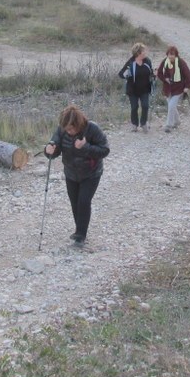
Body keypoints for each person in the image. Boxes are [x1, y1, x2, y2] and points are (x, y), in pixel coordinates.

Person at [44, 104, 110, 246]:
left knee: (84, 201)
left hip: (91, 173)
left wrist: (85, 147)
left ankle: (81, 235)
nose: (68, 131)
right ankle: (78, 229)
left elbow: (105, 150)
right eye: (66, 129)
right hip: (71, 173)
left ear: (78, 124)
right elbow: (54, 148)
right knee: (75, 202)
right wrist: (49, 149)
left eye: (70, 128)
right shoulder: (62, 130)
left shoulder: (92, 129)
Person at [156, 45, 190, 133]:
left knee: (171, 105)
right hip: (168, 88)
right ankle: (177, 121)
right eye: (169, 54)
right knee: (171, 105)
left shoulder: (181, 62)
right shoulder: (165, 61)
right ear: (167, 55)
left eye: (172, 54)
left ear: (176, 55)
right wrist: (165, 79)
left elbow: (188, 75)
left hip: (179, 88)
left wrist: (187, 87)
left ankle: (169, 125)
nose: (171, 56)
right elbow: (160, 73)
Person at [119, 42, 154, 132]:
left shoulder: (147, 61)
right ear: (138, 53)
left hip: (145, 89)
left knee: (145, 106)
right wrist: (126, 74)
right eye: (143, 51)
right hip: (132, 90)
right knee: (134, 107)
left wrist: (154, 75)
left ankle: (143, 123)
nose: (145, 52)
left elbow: (151, 74)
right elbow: (121, 74)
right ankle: (134, 124)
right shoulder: (130, 62)